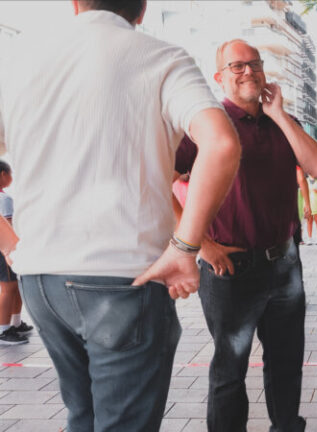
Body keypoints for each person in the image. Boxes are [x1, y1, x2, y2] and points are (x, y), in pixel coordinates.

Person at [0, 1, 242, 430]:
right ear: (143, 8)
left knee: (85, 417)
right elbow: (221, 145)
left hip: (42, 281)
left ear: (75, 4)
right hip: (121, 280)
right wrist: (185, 248)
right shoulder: (161, 58)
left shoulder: (20, 62)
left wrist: (12, 246)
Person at [175, 38, 317, 432]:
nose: (248, 72)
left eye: (254, 64)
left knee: (287, 363)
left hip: (284, 265)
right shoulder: (207, 125)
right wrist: (201, 245)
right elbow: (160, 181)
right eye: (237, 66)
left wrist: (279, 115)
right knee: (230, 369)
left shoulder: (281, 122)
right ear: (219, 77)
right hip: (231, 269)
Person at [0, 162, 31, 345]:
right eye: (10, 174)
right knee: (9, 288)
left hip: (4, 250)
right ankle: (4, 330)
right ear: (3, 175)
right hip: (6, 250)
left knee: (14, 286)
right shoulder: (4, 200)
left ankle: (16, 323)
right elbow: (9, 227)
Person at [306, 174, 317, 245]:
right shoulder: (306, 181)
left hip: (316, 203)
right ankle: (309, 238)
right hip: (308, 204)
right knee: (309, 221)